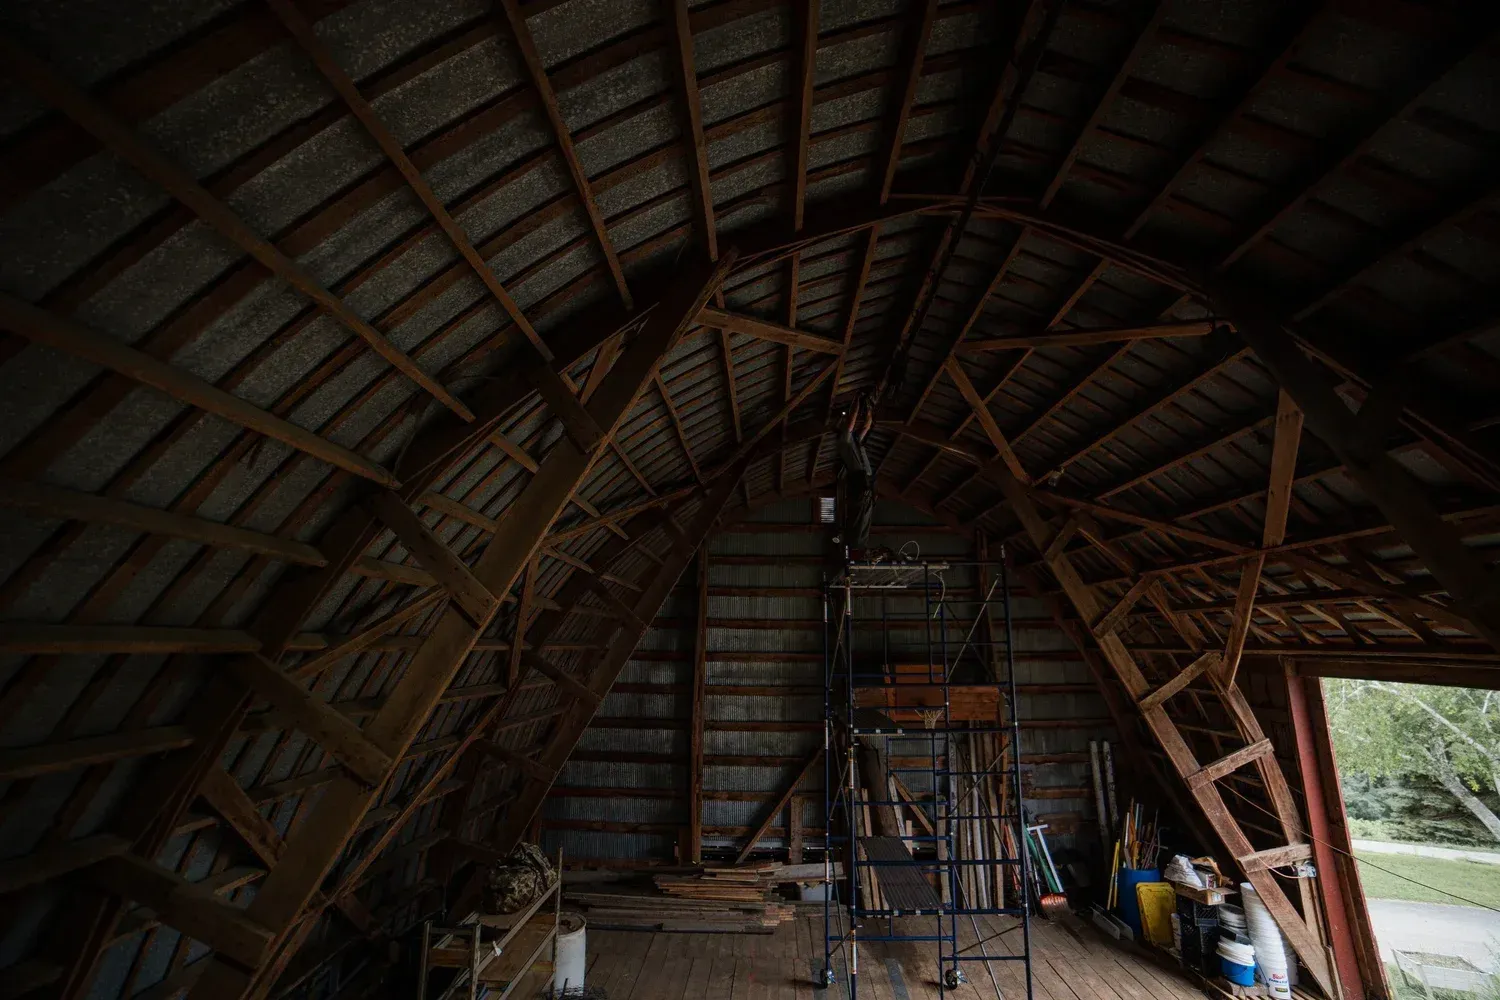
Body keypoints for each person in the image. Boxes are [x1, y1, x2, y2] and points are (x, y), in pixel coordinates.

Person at [835, 393, 875, 552]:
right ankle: (857, 544)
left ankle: (857, 544)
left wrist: (869, 409)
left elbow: (866, 426)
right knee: (864, 513)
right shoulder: (844, 440)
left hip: (863, 476)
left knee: (864, 511)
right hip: (861, 476)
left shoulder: (855, 440)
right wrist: (857, 401)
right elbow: (851, 420)